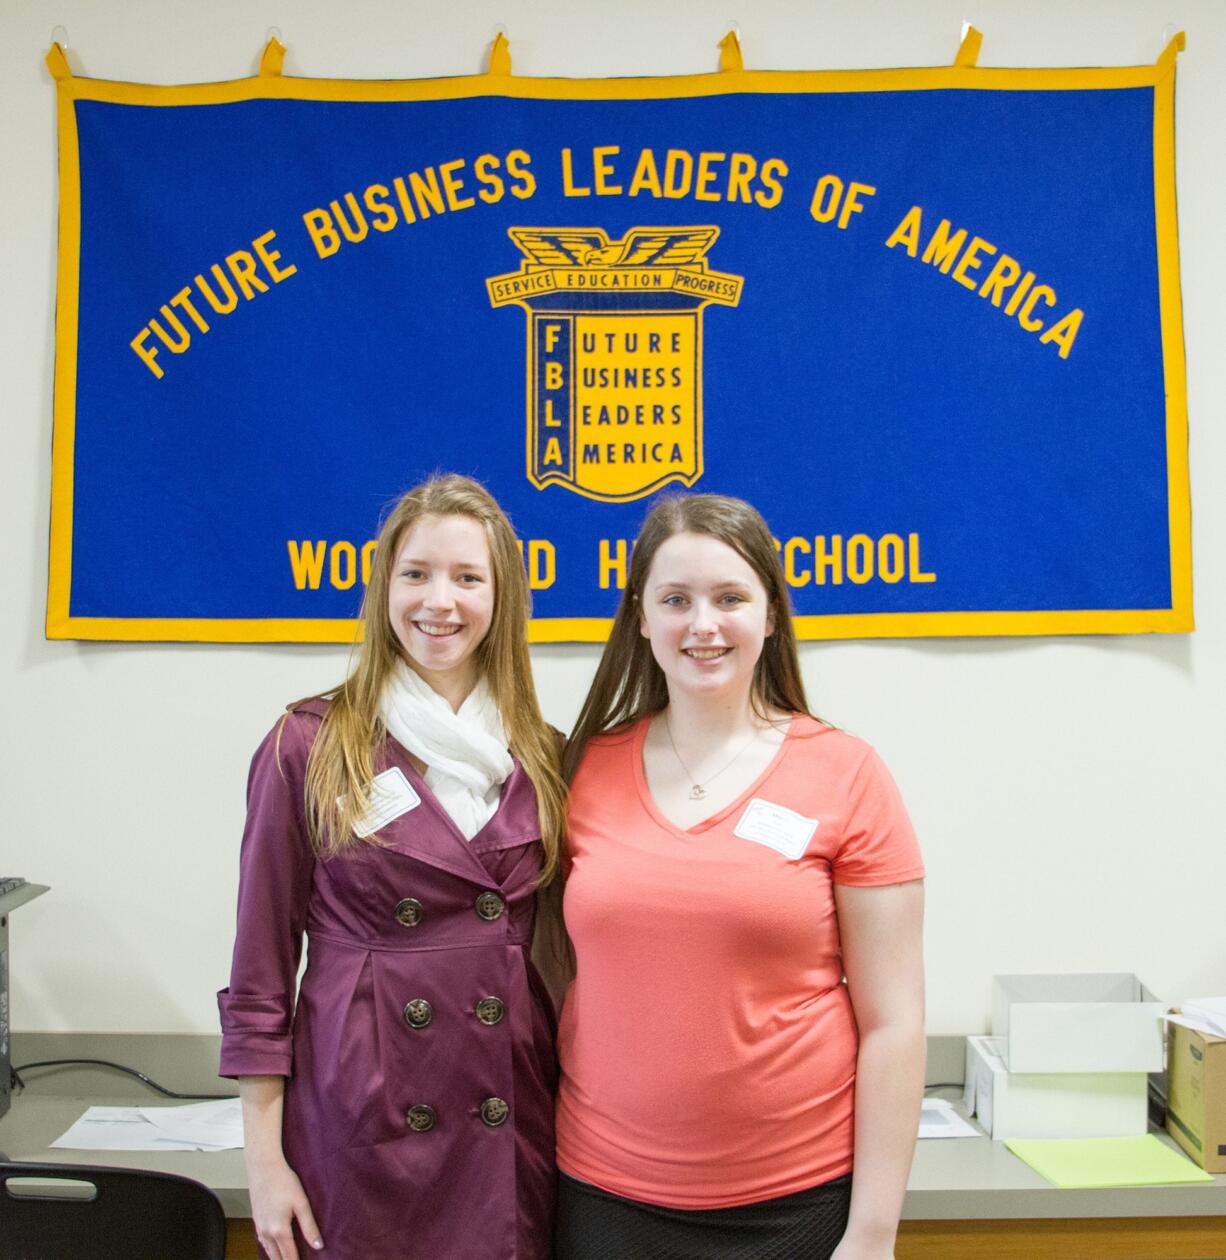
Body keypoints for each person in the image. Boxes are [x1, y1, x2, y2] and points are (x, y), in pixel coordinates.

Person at [554, 494, 926, 1260]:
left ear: (771, 614)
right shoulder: (580, 769)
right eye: (676, 600)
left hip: (795, 1206)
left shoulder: (847, 774)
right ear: (640, 615)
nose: (703, 625)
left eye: (730, 598)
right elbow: (555, 971)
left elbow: (894, 1024)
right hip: (602, 1197)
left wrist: (874, 1233)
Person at [218, 474, 566, 1260]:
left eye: (467, 578)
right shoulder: (308, 745)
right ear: (381, 589)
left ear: (501, 597)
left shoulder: (543, 755)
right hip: (361, 1119)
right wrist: (263, 1161)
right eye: (415, 574)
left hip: (510, 1115)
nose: (438, 601)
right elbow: (261, 974)